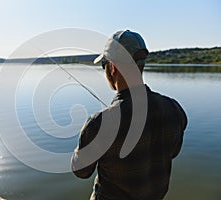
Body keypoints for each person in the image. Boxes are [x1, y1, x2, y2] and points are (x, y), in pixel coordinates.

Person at [71, 30, 187, 200]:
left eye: (104, 64)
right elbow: (173, 152)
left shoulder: (99, 124)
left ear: (112, 67)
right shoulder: (174, 109)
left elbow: (81, 171)